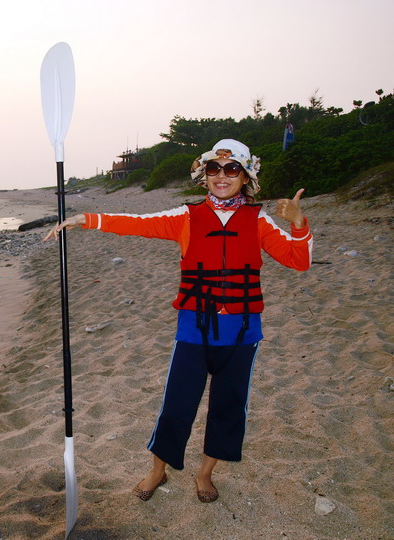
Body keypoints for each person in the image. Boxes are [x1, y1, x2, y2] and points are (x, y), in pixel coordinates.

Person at [43, 139, 312, 503]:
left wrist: (299, 223)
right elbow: (138, 224)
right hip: (193, 330)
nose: (222, 176)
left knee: (229, 407)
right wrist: (86, 219)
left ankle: (205, 474)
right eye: (214, 169)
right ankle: (158, 470)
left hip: (242, 333)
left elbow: (299, 260)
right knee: (177, 404)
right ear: (205, 175)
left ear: (246, 178)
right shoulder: (186, 217)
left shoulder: (259, 221)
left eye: (232, 169)